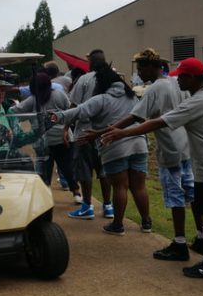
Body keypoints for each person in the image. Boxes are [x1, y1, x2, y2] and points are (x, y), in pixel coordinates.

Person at [103, 57, 203, 279]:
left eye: (181, 76)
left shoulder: (195, 102)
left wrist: (123, 133)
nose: (176, 80)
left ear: (192, 77)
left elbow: (158, 122)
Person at [52, 64, 149, 235]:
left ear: (102, 83)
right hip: (139, 145)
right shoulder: (132, 97)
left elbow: (78, 110)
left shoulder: (102, 99)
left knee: (120, 187)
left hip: (115, 147)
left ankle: (117, 225)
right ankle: (146, 223)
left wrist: (58, 117)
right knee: (139, 187)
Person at [67, 50, 114, 219]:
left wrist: (66, 127)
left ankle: (87, 206)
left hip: (84, 132)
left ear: (90, 63)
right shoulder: (112, 78)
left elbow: (73, 106)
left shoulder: (84, 79)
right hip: (105, 131)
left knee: (84, 170)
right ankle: (108, 206)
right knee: (104, 170)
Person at [16, 71, 77, 196]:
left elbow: (15, 110)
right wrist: (66, 128)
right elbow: (71, 111)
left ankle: (44, 195)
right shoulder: (60, 94)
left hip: (43, 141)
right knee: (67, 167)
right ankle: (76, 193)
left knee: (44, 170)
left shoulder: (33, 100)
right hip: (63, 138)